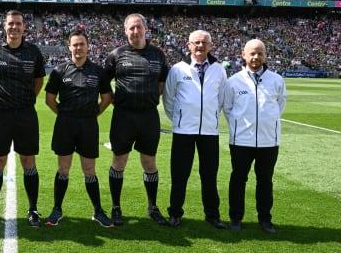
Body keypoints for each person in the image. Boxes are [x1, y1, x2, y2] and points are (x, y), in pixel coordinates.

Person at [0, 10, 46, 228]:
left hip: (26, 114)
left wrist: (27, 100)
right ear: (4, 26)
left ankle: (33, 209)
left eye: (18, 23)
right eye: (11, 24)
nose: (14, 27)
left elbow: (38, 82)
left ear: (24, 27)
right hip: (0, 115)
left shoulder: (34, 51)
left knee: (28, 161)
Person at [102, 13, 169, 226]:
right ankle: (116, 206)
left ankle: (153, 206)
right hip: (123, 117)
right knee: (119, 161)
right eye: (131, 28)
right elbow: (104, 84)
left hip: (149, 117)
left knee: (149, 162)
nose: (135, 31)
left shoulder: (158, 54)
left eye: (138, 27)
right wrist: (118, 103)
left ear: (145, 28)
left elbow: (161, 84)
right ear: (125, 31)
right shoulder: (116, 55)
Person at [43, 30, 114, 227]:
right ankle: (57, 209)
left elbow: (107, 97)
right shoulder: (59, 70)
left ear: (88, 46)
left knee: (89, 169)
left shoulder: (98, 71)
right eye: (75, 44)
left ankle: (98, 211)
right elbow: (49, 99)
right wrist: (65, 115)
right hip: (65, 125)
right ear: (69, 47)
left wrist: (93, 114)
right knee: (63, 168)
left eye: (81, 44)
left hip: (88, 125)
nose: (78, 48)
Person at [162, 30, 228, 229]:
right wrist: (180, 120)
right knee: (179, 175)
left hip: (209, 131)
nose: (200, 46)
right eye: (196, 42)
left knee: (209, 175)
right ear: (189, 45)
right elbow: (169, 98)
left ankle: (212, 215)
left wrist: (209, 117)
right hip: (183, 132)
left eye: (204, 43)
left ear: (210, 46)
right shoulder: (178, 69)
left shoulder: (219, 70)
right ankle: (175, 213)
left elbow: (222, 99)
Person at [223, 39, 287, 234]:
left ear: (265, 55)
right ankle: (235, 218)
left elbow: (281, 105)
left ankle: (265, 220)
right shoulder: (234, 81)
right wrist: (239, 126)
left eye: (260, 53)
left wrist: (268, 123)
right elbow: (227, 108)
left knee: (265, 181)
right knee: (238, 179)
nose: (256, 57)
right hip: (241, 140)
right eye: (252, 53)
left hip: (269, 141)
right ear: (244, 54)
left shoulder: (276, 80)